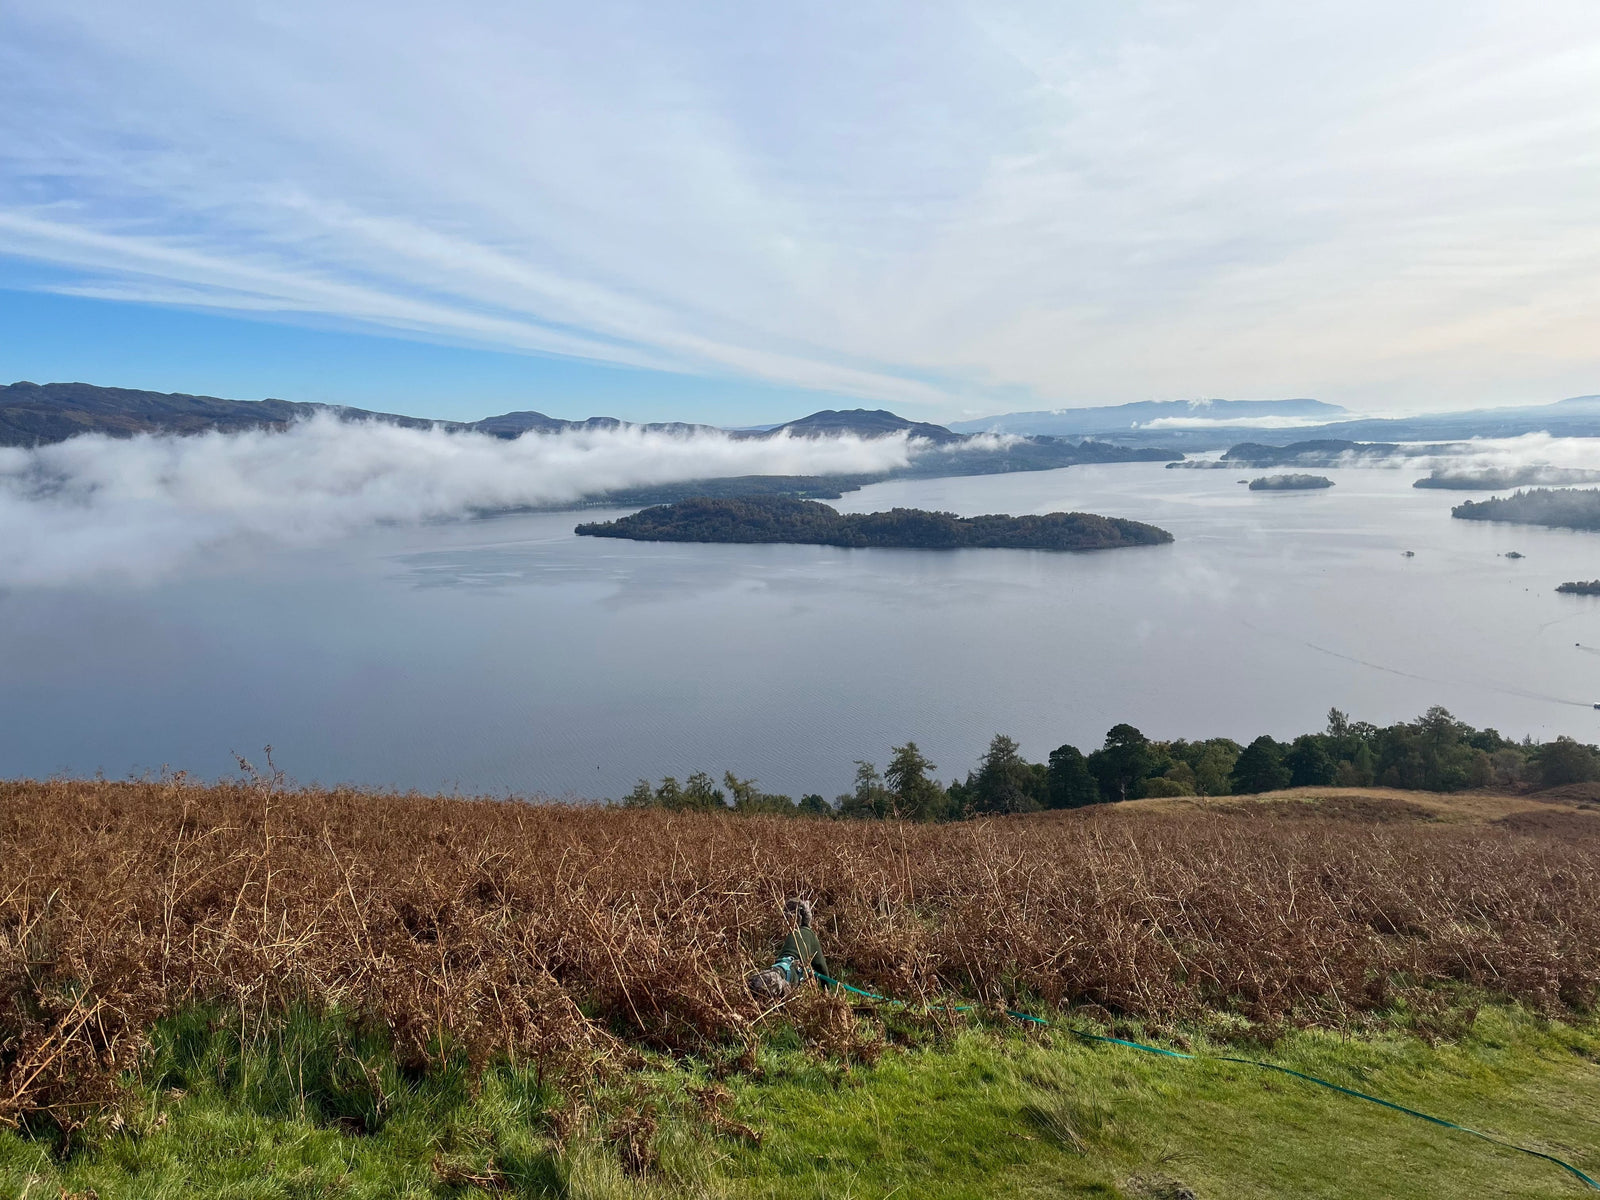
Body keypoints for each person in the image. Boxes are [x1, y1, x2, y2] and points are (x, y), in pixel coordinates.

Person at [748, 896, 831, 1000]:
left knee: (759, 985)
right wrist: (827, 992)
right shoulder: (811, 936)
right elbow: (822, 968)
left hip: (779, 968)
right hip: (791, 977)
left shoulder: (792, 934)